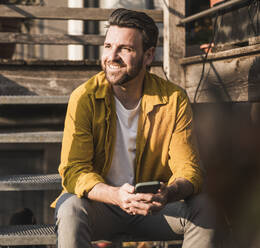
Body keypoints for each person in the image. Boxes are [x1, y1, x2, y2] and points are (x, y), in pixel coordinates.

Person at [53, 8, 216, 248]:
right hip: (102, 206)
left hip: (153, 209)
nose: (112, 56)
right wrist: (116, 196)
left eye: (125, 49)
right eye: (108, 46)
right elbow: (74, 171)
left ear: (148, 55)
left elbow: (189, 169)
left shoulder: (173, 99)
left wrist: (167, 194)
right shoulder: (84, 98)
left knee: (205, 207)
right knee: (70, 210)